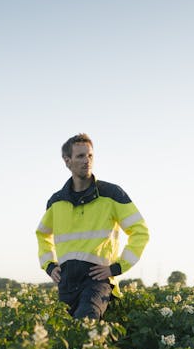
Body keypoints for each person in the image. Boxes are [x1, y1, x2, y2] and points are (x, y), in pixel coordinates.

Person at [36, 133, 149, 319]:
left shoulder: (112, 194)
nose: (87, 161)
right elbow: (42, 234)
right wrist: (49, 266)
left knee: (86, 321)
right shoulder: (56, 201)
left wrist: (117, 268)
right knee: (64, 334)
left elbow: (140, 231)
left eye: (90, 156)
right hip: (67, 282)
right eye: (80, 156)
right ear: (67, 161)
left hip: (98, 280)